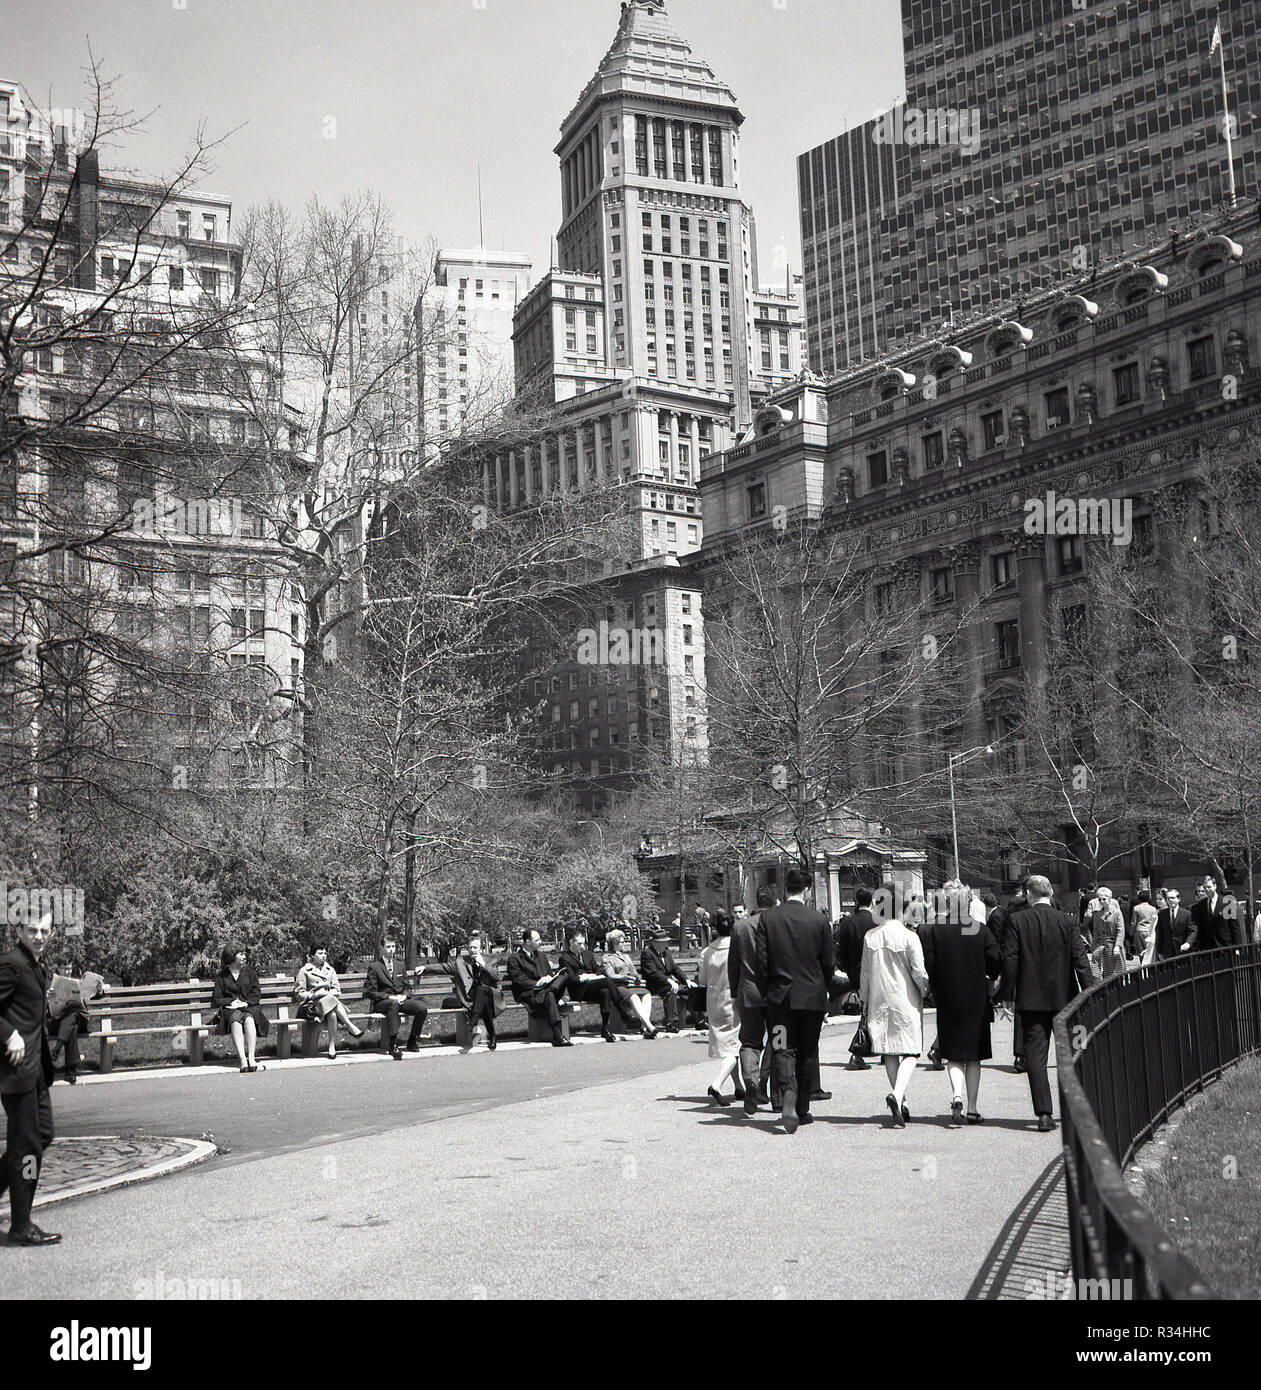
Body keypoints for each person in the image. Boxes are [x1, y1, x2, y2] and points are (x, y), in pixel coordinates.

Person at [1003, 874, 1093, 1131]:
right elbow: (1080, 959)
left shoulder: (1017, 920)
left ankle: (1044, 1113)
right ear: (1050, 894)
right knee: (1077, 1052)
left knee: (1036, 1058)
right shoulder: (1067, 921)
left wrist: (1008, 996)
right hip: (1067, 1000)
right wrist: (1091, 990)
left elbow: (1011, 959)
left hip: (1031, 1002)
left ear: (1029, 895)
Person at [753, 866, 834, 1134]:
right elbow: (828, 963)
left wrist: (767, 991)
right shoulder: (819, 920)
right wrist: (824, 986)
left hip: (779, 1000)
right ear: (808, 890)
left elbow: (761, 962)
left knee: (781, 1048)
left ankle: (787, 1092)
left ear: (786, 889)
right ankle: (802, 1106)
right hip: (811, 998)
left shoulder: (768, 919)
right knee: (808, 1051)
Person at [0, 912, 60, 1245]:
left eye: (44, 930)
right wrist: (9, 1034)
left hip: (35, 1071)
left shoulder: (36, 965)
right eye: (32, 930)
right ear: (20, 930)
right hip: (16, 1070)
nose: (39, 935)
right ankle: (21, 1224)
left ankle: (21, 1217)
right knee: (27, 1151)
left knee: (43, 1136)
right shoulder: (12, 964)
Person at [922, 901, 1002, 1125]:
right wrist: (989, 976)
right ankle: (973, 1108)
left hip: (948, 997)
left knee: (954, 1053)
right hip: (976, 996)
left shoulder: (936, 930)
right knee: (974, 1055)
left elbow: (930, 963)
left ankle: (956, 1094)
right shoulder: (978, 928)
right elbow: (996, 958)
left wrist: (937, 986)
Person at [860, 912, 929, 1129]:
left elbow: (865, 973)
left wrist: (864, 999)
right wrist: (925, 990)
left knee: (889, 1050)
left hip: (879, 998)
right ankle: (897, 1094)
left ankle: (902, 1101)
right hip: (905, 998)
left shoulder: (870, 937)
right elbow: (919, 972)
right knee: (912, 1050)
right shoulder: (910, 937)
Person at [730, 886, 777, 1113]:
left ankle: (750, 1078)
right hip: (777, 994)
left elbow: (733, 964)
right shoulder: (778, 924)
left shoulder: (740, 926)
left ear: (756, 901)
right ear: (775, 901)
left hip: (748, 992)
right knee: (778, 1040)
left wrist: (733, 993)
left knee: (749, 1041)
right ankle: (768, 1087)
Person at [697, 911, 741, 1105]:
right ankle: (716, 1084)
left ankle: (739, 1087)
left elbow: (702, 980)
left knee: (728, 1046)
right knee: (735, 1047)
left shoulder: (707, 951)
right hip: (734, 1001)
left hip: (714, 1002)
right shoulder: (737, 948)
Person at [833, 886, 877, 1071]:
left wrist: (847, 969)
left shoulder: (847, 923)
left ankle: (868, 1050)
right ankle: (859, 1050)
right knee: (871, 1012)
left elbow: (841, 953)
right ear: (872, 900)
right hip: (874, 972)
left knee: (868, 1010)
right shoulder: (876, 922)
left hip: (854, 973)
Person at [364, 936, 429, 1060]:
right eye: (388, 946)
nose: (391, 949)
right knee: (393, 1005)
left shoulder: (400, 965)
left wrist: (404, 995)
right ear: (382, 948)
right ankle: (393, 1044)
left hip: (400, 1000)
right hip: (383, 1002)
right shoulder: (375, 967)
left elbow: (407, 986)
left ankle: (412, 1040)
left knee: (422, 1008)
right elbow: (370, 992)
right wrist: (390, 997)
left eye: (393, 946)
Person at [293, 946, 364, 1059]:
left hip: (329, 1005)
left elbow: (337, 990)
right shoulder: (304, 971)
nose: (323, 956)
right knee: (329, 1002)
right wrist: (316, 994)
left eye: (325, 953)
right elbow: (298, 994)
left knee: (332, 1012)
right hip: (311, 1007)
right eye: (320, 953)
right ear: (312, 955)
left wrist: (328, 994)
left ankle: (332, 1047)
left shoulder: (330, 970)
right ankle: (349, 1026)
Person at [505, 929, 572, 1047]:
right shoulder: (515, 958)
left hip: (546, 989)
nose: (540, 942)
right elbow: (518, 980)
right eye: (537, 940)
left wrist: (550, 979)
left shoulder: (541, 956)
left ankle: (551, 991)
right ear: (527, 942)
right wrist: (537, 983)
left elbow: (550, 974)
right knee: (550, 995)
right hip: (529, 993)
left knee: (565, 975)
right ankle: (557, 1035)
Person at [212, 944, 269, 1073]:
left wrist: (246, 1003)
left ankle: (252, 1059)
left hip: (249, 1007)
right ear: (232, 956)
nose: (245, 956)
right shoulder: (222, 976)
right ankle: (243, 1060)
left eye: (244, 953)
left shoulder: (250, 973)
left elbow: (256, 994)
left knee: (249, 1019)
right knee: (235, 1021)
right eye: (241, 954)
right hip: (230, 1010)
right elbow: (217, 998)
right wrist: (232, 1001)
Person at [560, 929, 623, 1044]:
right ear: (571, 942)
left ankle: (605, 1028)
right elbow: (572, 979)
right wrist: (588, 977)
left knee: (605, 991)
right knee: (606, 981)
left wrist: (592, 976)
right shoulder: (565, 958)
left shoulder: (588, 954)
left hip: (593, 989)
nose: (582, 946)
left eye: (583, 943)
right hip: (579, 991)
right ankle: (621, 1008)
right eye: (579, 944)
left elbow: (598, 970)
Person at [45, 968, 106, 1085]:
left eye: (69, 968)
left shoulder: (79, 984)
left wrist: (99, 990)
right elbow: (36, 1001)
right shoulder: (50, 983)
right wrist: (48, 998)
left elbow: (96, 996)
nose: (67, 971)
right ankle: (70, 1071)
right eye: (64, 968)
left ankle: (56, 1049)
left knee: (72, 1014)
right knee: (72, 1027)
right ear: (59, 968)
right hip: (57, 1022)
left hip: (79, 1019)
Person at [600, 929, 659, 1038]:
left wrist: (636, 976)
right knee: (635, 997)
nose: (624, 944)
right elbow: (610, 976)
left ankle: (643, 1027)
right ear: (614, 943)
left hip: (632, 985)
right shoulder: (607, 958)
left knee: (647, 994)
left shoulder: (626, 956)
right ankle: (650, 1026)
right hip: (618, 986)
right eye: (621, 942)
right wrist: (624, 977)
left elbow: (634, 971)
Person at [452, 933, 501, 1052]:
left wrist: (483, 965)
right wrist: (425, 968)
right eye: (470, 947)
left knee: (482, 991)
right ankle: (492, 1035)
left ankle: (473, 1020)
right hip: (474, 997)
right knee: (481, 996)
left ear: (480, 949)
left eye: (475, 947)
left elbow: (497, 977)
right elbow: (444, 967)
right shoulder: (461, 961)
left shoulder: (490, 959)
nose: (472, 950)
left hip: (490, 995)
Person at [640, 928, 690, 1033]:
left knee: (689, 989)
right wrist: (669, 981)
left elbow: (674, 969)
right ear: (655, 943)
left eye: (666, 942)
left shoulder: (667, 953)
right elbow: (653, 973)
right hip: (654, 984)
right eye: (663, 942)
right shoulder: (647, 953)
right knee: (670, 991)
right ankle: (671, 1023)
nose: (666, 944)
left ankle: (700, 1020)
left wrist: (686, 980)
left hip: (667, 983)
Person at [1186, 874, 1246, 951]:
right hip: (1209, 949)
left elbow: (1234, 927)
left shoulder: (1227, 902)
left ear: (1215, 886)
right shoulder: (1201, 905)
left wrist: (1238, 948)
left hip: (1226, 947)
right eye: (1205, 888)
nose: (1207, 889)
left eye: (1209, 887)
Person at [1084, 888, 1125, 980]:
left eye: (1104, 899)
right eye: (1099, 899)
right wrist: (1093, 946)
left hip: (1112, 945)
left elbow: (1120, 930)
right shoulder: (1097, 914)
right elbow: (1096, 931)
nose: (1101, 901)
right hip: (1099, 945)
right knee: (1095, 970)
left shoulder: (1117, 913)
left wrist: (1118, 945)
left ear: (1109, 899)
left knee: (1114, 972)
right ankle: (1099, 988)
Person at [1154, 888, 1191, 960]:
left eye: (1173, 898)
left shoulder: (1187, 914)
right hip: (1167, 951)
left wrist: (1188, 943)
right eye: (1168, 898)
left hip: (1182, 950)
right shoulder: (1162, 914)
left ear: (1178, 899)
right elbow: (1160, 934)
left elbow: (1192, 931)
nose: (1170, 900)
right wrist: (1159, 951)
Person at [1129, 891, 1159, 967]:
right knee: (1150, 950)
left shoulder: (1136, 908)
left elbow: (1133, 922)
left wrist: (1131, 933)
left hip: (1139, 931)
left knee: (1141, 951)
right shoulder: (1153, 908)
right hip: (1150, 930)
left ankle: (1143, 966)